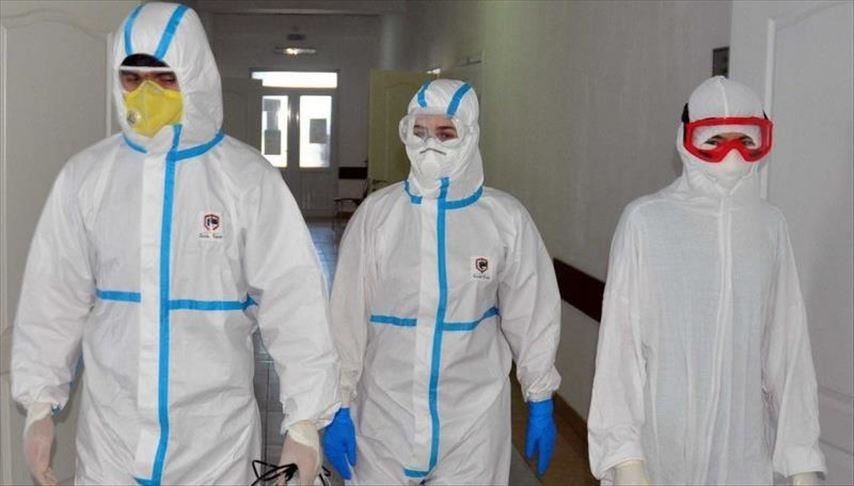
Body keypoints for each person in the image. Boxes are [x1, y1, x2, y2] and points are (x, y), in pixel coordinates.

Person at [11, 3, 339, 485]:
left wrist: (306, 422)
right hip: (111, 442)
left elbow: (295, 304)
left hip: (214, 445)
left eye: (164, 78)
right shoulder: (87, 177)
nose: (146, 92)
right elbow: (53, 295)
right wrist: (39, 403)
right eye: (132, 78)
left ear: (195, 75)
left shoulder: (246, 180)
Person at [587, 76, 826, 485]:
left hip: (743, 451)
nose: (731, 154)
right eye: (715, 140)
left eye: (745, 140)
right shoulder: (647, 221)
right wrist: (625, 458)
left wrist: (802, 456)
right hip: (662, 448)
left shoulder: (769, 226)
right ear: (688, 139)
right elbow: (620, 349)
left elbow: (788, 348)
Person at [323, 79, 561, 484]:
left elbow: (532, 312)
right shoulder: (378, 216)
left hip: (472, 421)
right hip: (384, 413)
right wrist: (338, 402)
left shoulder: (505, 219)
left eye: (445, 133)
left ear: (470, 135)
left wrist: (540, 398)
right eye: (419, 131)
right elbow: (346, 314)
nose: (429, 144)